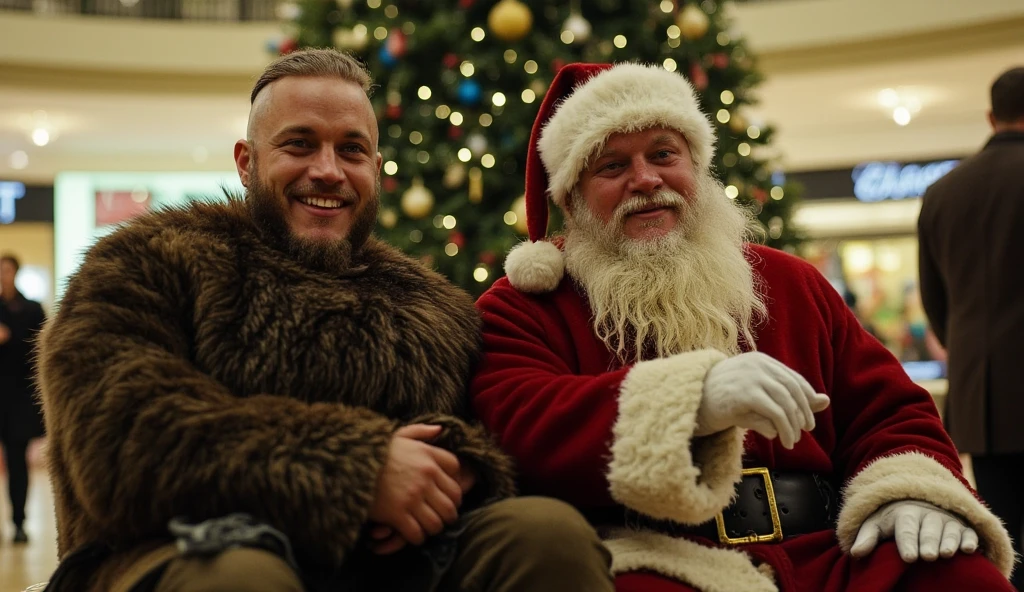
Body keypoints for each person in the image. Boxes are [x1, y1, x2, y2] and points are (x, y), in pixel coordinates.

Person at [36, 49, 613, 592]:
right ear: (247, 162)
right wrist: (359, 471)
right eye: (299, 144)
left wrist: (459, 468)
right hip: (175, 547)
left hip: (386, 563)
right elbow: (120, 437)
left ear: (376, 169)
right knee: (239, 578)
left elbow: (480, 434)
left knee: (545, 535)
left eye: (352, 150)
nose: (329, 170)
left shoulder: (431, 307)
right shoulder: (150, 262)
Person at [470, 62, 1016, 592]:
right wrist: (690, 400)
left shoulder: (790, 282)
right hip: (654, 557)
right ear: (571, 195)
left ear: (697, 167)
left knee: (956, 576)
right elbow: (516, 421)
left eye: (665, 154)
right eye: (612, 167)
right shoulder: (526, 306)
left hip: (829, 552)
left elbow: (889, 410)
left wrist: (910, 492)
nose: (646, 179)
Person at [918, 65, 1024, 589]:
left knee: (1007, 541)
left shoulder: (943, 193)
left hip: (983, 401)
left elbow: (937, 305)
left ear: (991, 115)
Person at [0, 253, 46, 544]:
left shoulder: (32, 309)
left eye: (7, 270)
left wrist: (10, 338)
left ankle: (18, 522)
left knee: (17, 462)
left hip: (17, 400)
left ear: (16, 273)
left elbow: (39, 348)